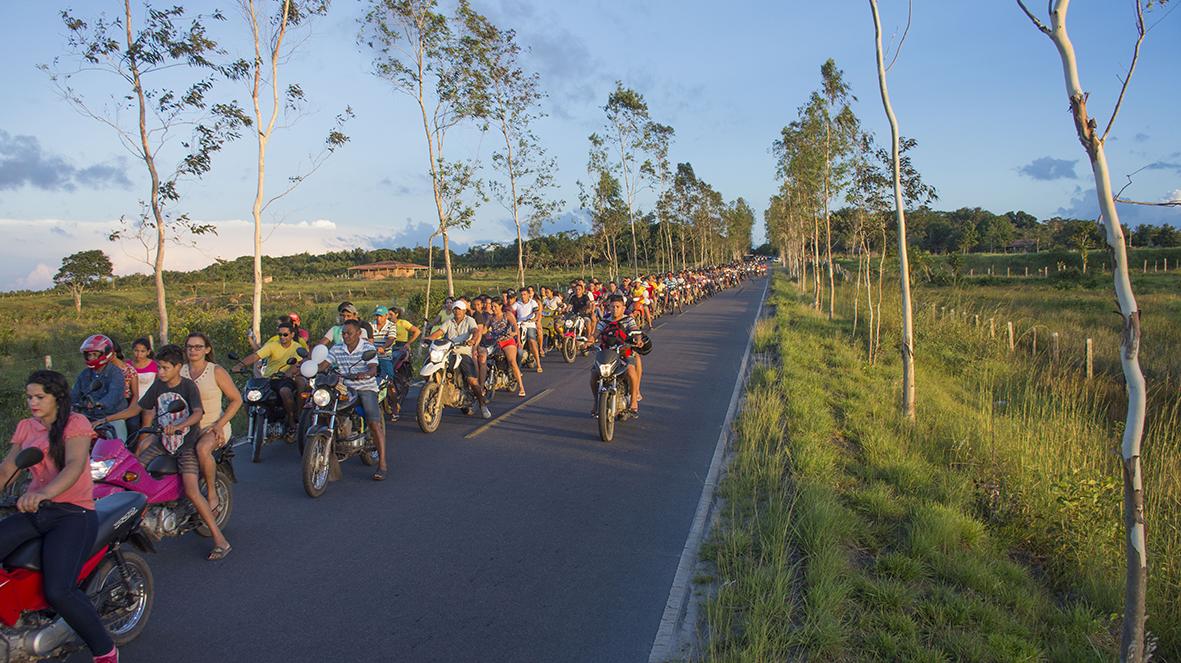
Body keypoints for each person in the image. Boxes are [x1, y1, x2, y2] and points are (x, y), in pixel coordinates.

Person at [0, 370, 120, 663]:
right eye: (29, 397)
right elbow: (6, 470)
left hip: (72, 514)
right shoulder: (27, 428)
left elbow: (75, 466)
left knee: (59, 589)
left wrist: (43, 493)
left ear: (57, 397)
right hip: (34, 511)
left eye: (40, 396)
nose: (33, 402)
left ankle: (105, 651)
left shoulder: (75, 423)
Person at [98, 345, 229, 561]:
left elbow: (197, 413)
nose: (160, 372)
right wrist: (105, 420)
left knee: (192, 491)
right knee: (133, 469)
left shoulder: (187, 387)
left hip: (186, 443)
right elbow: (136, 409)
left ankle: (220, 540)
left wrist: (181, 425)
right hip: (162, 441)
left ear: (178, 367)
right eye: (159, 367)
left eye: (165, 368)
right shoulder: (158, 385)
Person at [180, 332, 242, 517]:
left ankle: (212, 493)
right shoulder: (180, 370)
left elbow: (236, 400)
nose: (193, 350)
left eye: (198, 347)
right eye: (190, 347)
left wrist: (219, 425)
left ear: (207, 350)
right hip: (185, 427)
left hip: (213, 425)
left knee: (202, 449)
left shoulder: (216, 371)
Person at [322, 320, 388, 480]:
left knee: (374, 423)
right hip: (345, 387)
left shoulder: (367, 348)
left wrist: (365, 374)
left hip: (365, 387)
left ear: (358, 333)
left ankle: (383, 464)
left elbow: (373, 368)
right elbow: (324, 364)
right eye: (343, 333)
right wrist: (310, 368)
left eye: (348, 333)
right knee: (325, 409)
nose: (345, 336)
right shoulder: (337, 348)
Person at [231, 320, 305, 433]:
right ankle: (252, 423)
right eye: (280, 334)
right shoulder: (272, 346)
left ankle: (291, 420)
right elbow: (256, 356)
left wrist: (287, 374)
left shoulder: (297, 347)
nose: (282, 337)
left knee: (285, 391)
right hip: (268, 378)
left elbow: (296, 365)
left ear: (292, 335)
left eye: (285, 334)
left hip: (284, 379)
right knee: (247, 394)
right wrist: (240, 365)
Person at [426, 300, 490, 418]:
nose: (457, 311)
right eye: (455, 309)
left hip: (463, 352)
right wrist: (429, 338)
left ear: (464, 310)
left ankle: (482, 404)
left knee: (472, 380)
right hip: (449, 352)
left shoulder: (470, 320)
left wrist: (473, 340)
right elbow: (440, 332)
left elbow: (475, 331)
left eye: (459, 309)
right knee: (432, 365)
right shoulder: (449, 322)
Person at [589, 295, 643, 418]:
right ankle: (597, 401)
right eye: (612, 307)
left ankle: (634, 401)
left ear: (623, 308)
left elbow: (635, 331)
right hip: (606, 354)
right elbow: (595, 333)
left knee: (630, 370)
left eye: (618, 307)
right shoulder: (604, 321)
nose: (615, 309)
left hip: (623, 353)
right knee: (594, 375)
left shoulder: (628, 320)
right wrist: (588, 341)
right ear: (608, 307)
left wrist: (637, 340)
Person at [71, 335, 129, 442]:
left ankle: (120, 454)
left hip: (111, 415)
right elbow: (74, 394)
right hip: (88, 415)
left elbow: (114, 395)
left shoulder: (115, 373)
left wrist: (98, 403)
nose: (91, 358)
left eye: (95, 354)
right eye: (89, 355)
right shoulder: (84, 374)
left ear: (105, 354)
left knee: (117, 441)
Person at [487, 299, 526, 397]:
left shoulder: (507, 315)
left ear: (500, 306)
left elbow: (515, 327)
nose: (493, 308)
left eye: (495, 306)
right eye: (492, 306)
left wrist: (518, 339)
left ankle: (521, 387)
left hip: (508, 341)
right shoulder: (491, 318)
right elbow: (484, 329)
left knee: (512, 361)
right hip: (495, 342)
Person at [513, 287, 543, 374]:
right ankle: (517, 368)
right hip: (519, 325)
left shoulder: (532, 302)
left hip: (530, 324)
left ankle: (538, 364)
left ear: (528, 295)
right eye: (521, 295)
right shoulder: (517, 303)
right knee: (517, 345)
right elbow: (511, 310)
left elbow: (536, 312)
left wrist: (535, 319)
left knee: (532, 341)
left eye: (525, 294)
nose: (523, 296)